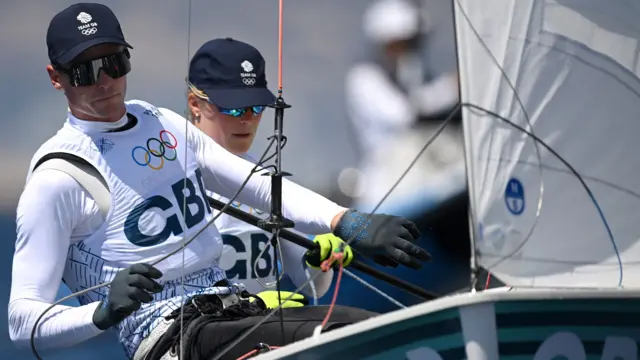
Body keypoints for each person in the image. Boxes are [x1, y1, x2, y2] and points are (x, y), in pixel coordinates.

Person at [8, 3, 430, 360]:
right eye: (85, 70)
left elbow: (258, 185)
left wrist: (347, 221)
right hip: (171, 339)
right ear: (55, 76)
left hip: (233, 310)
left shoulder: (160, 123)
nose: (104, 81)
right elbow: (21, 321)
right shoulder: (57, 179)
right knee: (341, 343)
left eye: (114, 63)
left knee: (372, 329)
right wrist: (101, 312)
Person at [180, 38, 353, 308]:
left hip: (261, 331)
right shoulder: (170, 176)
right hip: (197, 335)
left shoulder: (265, 180)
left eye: (256, 107)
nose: (247, 119)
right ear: (195, 104)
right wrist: (247, 305)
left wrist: (318, 260)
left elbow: (313, 285)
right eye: (234, 108)